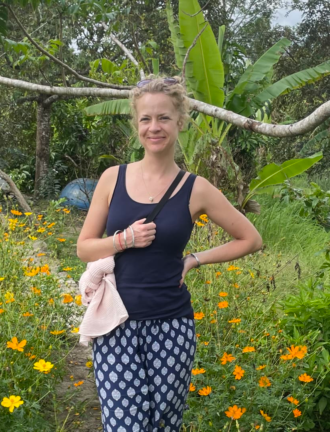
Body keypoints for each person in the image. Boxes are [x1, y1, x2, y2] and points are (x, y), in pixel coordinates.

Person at [76, 76, 263, 431]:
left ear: (180, 121)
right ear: (136, 124)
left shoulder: (197, 189)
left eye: (163, 118)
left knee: (163, 424)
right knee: (124, 425)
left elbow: (250, 239)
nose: (154, 127)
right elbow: (84, 246)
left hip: (172, 326)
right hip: (114, 324)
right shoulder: (112, 178)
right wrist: (124, 240)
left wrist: (194, 259)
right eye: (145, 119)